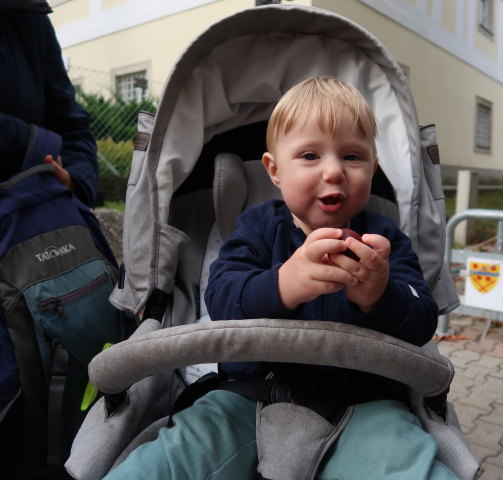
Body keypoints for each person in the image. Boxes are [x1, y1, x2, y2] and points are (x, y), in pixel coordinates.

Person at [104, 77, 457, 479]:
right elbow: (221, 297)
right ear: (274, 169)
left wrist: (380, 294)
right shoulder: (258, 228)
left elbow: (422, 318)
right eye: (310, 155)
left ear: (373, 168)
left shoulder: (384, 241)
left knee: (407, 463)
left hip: (366, 401)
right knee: (172, 458)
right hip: (247, 394)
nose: (334, 171)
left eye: (353, 157)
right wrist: (284, 283)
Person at [0, 0, 98, 207]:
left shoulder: (29, 14)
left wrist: (74, 179)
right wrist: (31, 143)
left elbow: (70, 122)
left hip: (32, 219)